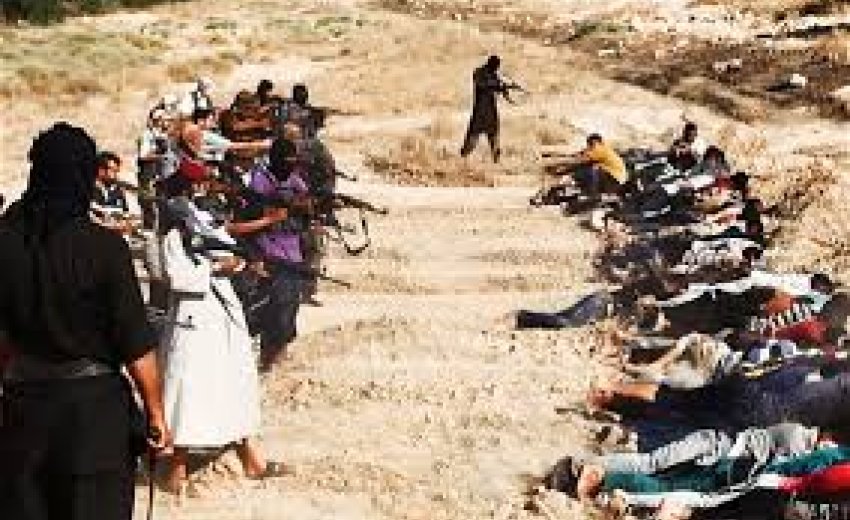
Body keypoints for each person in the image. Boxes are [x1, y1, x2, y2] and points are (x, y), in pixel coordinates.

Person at [0, 122, 171, 519]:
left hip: (24, 418)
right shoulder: (105, 248)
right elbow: (135, 343)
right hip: (94, 423)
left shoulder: (4, 243)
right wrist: (156, 413)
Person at [157, 179, 289, 493]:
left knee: (233, 383)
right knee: (188, 391)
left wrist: (240, 265)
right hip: (194, 321)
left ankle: (250, 458)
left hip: (223, 318)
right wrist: (215, 270)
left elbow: (226, 247)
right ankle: (177, 470)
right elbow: (175, 276)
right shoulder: (172, 236)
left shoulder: (204, 225)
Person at [460, 55, 514, 163]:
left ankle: (496, 160)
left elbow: (499, 88)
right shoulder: (479, 72)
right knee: (471, 139)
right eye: (496, 66)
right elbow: (484, 84)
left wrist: (505, 90)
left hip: (490, 111)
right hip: (480, 111)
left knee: (494, 138)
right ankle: (463, 159)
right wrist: (501, 86)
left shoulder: (494, 75)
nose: (496, 68)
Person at [578, 134, 628, 200]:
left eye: (591, 144)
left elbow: (583, 159)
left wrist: (582, 153)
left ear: (597, 142)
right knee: (592, 167)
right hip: (617, 179)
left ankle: (593, 194)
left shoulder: (601, 149)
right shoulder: (605, 149)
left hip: (615, 179)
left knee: (593, 169)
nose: (590, 146)